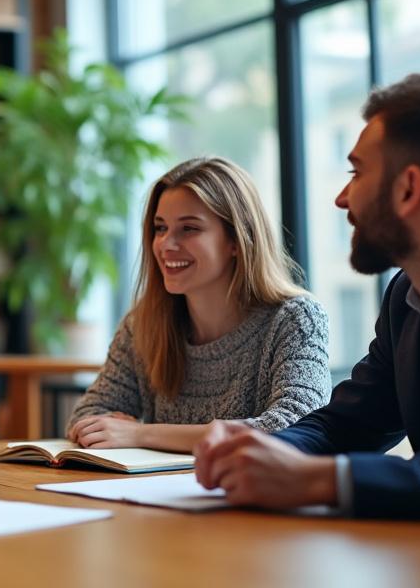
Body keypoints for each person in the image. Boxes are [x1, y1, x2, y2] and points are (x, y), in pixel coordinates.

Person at [195, 63, 420, 521]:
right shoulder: (406, 298)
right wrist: (262, 450)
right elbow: (350, 423)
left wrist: (326, 480)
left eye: (357, 172)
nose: (341, 198)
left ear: (408, 189)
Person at [66, 157, 330, 453]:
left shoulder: (296, 319)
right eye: (160, 227)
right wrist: (111, 428)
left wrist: (141, 435)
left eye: (189, 228)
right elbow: (87, 417)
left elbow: (297, 426)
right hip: (157, 495)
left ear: (236, 240)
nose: (166, 244)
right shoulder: (142, 325)